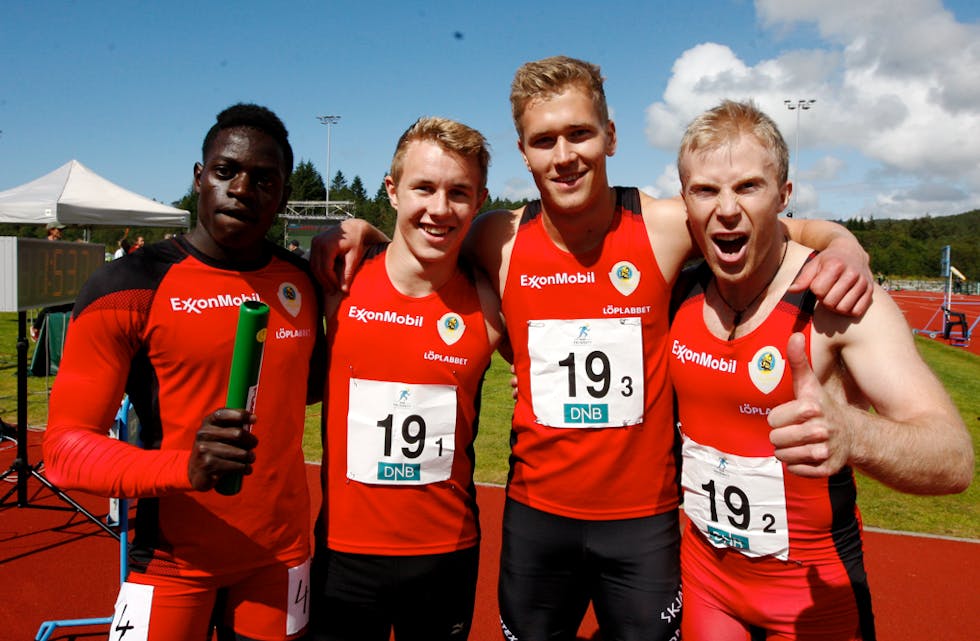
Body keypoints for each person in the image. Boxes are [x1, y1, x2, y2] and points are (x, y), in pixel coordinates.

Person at [312, 56, 873, 641]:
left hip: (642, 526)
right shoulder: (496, 238)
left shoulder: (662, 225)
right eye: (544, 140)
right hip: (536, 521)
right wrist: (362, 230)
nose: (564, 155)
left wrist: (844, 242)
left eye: (579, 133)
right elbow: (425, 229)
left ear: (609, 136)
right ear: (524, 152)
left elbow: (772, 224)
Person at [670, 100, 973, 640]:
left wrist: (854, 432)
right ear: (685, 201)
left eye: (748, 187)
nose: (727, 209)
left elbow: (953, 459)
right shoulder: (677, 292)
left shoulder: (841, 300)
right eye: (706, 190)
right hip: (705, 587)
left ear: (783, 197)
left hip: (811, 599)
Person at [43, 103, 325, 641]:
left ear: (283, 196)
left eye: (264, 180)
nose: (242, 189)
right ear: (199, 178)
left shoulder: (303, 282)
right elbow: (62, 450)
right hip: (170, 564)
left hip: (279, 556)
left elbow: (306, 390)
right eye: (226, 172)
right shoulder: (126, 286)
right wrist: (184, 467)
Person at [310, 117, 504, 641]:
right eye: (424, 187)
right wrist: (354, 229)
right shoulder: (336, 283)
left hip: (446, 557)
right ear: (393, 191)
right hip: (343, 557)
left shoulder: (490, 303)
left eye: (459, 193)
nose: (440, 209)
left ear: (480, 199)